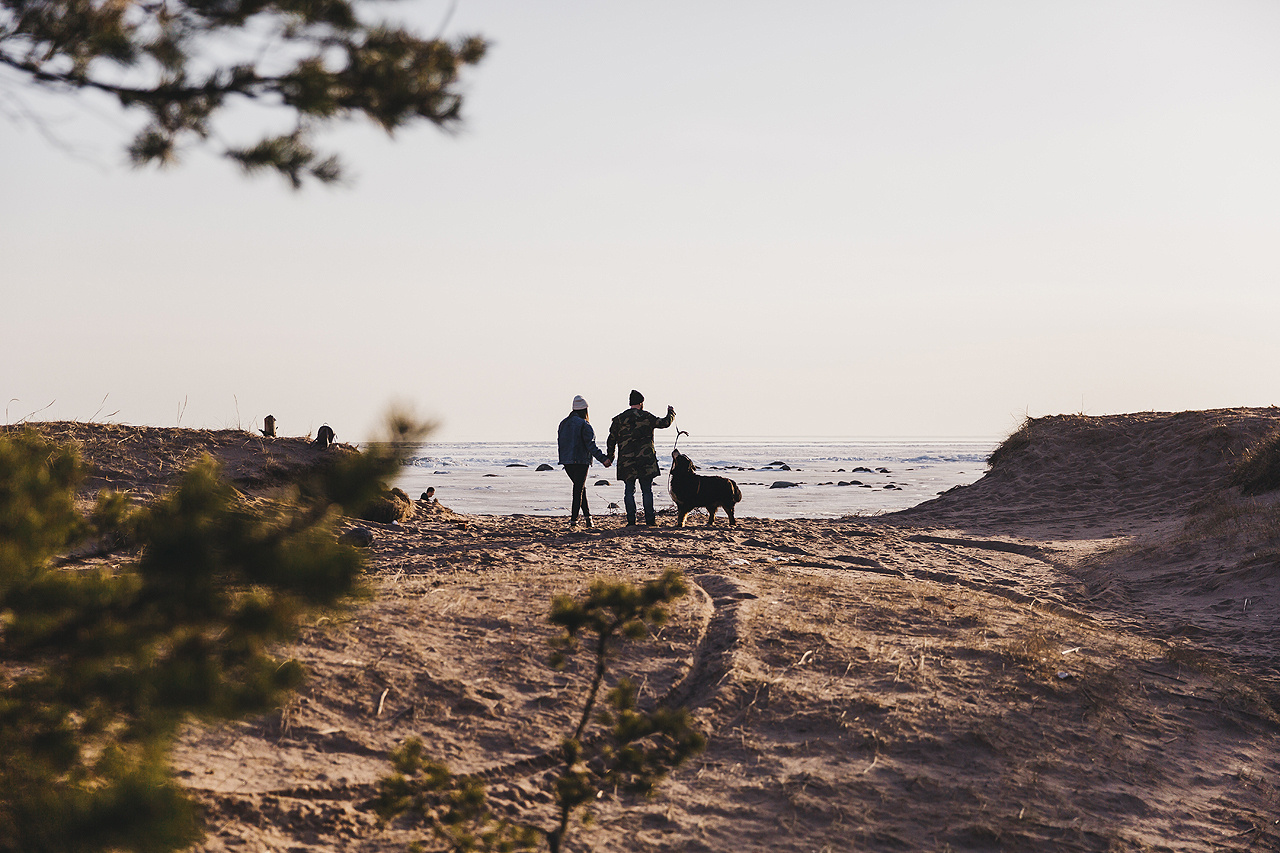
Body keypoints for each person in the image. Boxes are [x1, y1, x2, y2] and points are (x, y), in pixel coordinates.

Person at [606, 389, 675, 527]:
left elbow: (611, 440)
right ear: (641, 403)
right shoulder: (647, 417)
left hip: (626, 461)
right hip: (646, 460)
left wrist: (610, 457)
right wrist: (671, 413)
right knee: (647, 491)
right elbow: (665, 423)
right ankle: (650, 520)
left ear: (630, 403)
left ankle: (631, 521)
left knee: (629, 491)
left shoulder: (619, 419)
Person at [557, 395, 610, 528]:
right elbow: (591, 446)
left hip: (567, 461)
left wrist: (564, 458)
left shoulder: (563, 423)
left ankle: (588, 518)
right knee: (578, 489)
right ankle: (574, 520)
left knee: (580, 488)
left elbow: (561, 443)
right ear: (585, 410)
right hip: (581, 461)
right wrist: (603, 459)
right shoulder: (584, 424)